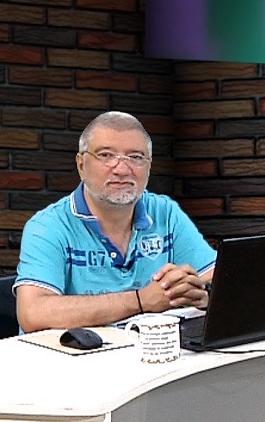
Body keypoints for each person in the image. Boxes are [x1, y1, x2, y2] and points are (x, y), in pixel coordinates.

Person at [15, 111, 216, 333]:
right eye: (106, 155)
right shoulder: (48, 226)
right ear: (81, 164)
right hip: (73, 354)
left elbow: (220, 279)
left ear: (149, 167)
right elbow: (33, 314)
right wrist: (141, 301)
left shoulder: (165, 213)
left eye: (136, 157)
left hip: (150, 350)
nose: (122, 169)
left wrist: (202, 293)